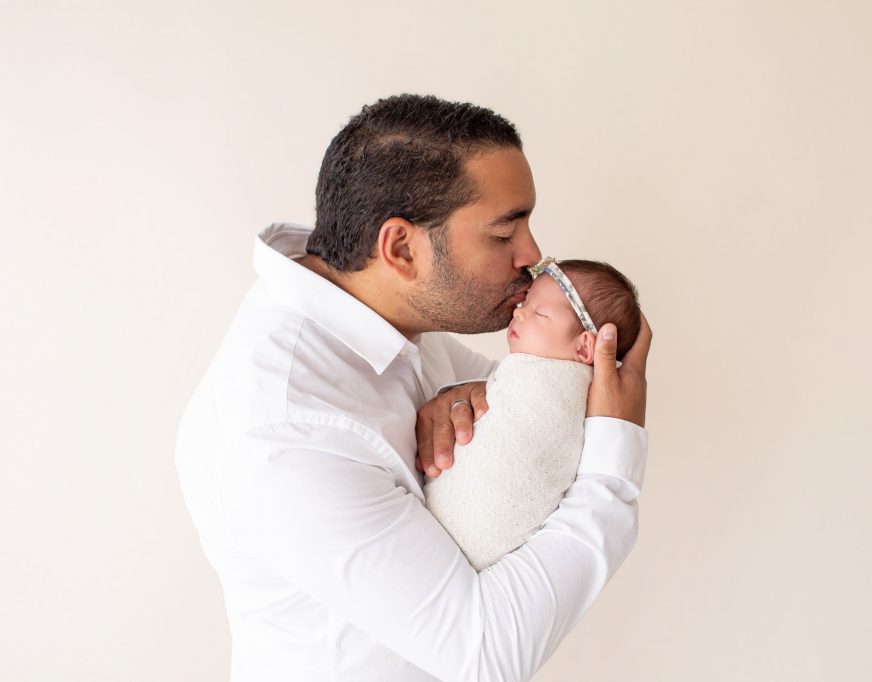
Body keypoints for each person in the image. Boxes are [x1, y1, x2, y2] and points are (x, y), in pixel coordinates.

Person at [175, 94, 652, 682]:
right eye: (505, 235)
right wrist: (614, 463)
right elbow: (485, 654)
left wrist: (486, 393)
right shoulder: (289, 429)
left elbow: (530, 409)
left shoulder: (379, 315)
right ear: (400, 248)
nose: (535, 258)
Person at [425, 258, 642, 570]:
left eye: (539, 312)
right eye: (526, 302)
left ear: (584, 349)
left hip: (466, 535)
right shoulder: (530, 377)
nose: (519, 311)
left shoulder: (558, 390)